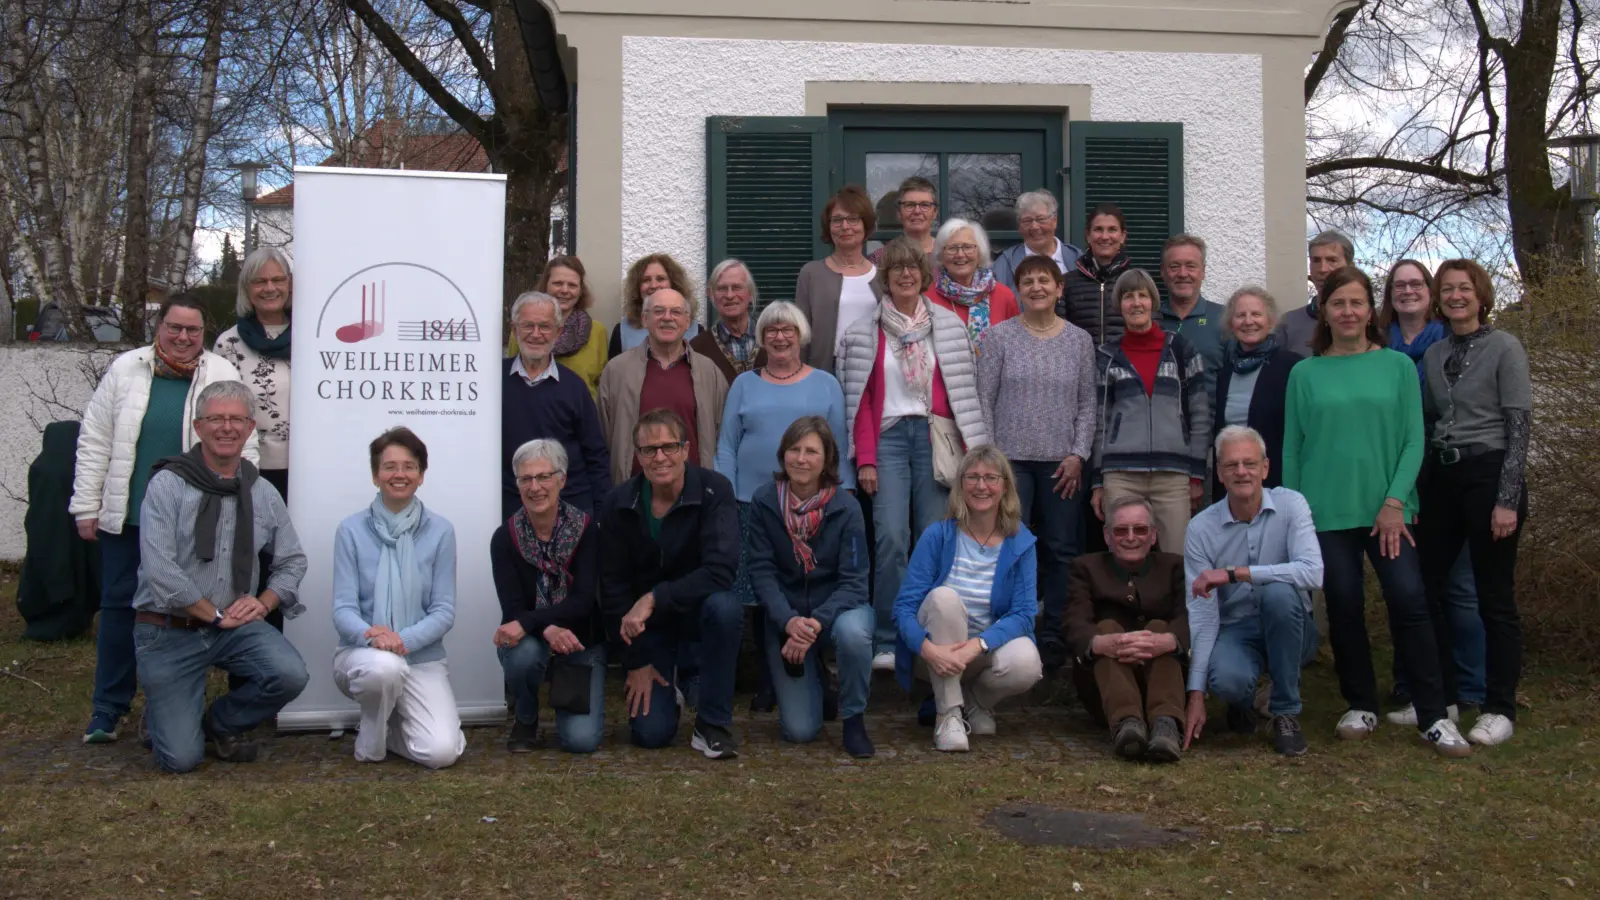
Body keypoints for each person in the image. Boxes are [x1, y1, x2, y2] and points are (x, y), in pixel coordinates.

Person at [1282, 265, 1468, 757]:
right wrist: (1294, 516)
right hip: (1325, 512)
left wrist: (1393, 504)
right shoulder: (1305, 373)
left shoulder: (1399, 367)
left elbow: (1414, 440)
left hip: (1389, 512)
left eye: (1356, 302)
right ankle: (1360, 703)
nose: (1347, 311)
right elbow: (1293, 451)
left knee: (1410, 601)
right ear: (1324, 310)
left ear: (1371, 310)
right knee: (1343, 607)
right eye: (1337, 302)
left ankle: (1433, 715)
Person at [71, 293, 257, 745]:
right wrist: (85, 505)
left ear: (203, 334)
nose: (183, 337)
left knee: (186, 609)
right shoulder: (126, 369)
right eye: (175, 327)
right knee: (120, 609)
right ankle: (108, 709)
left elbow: (244, 442)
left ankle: (173, 707)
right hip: (130, 515)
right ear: (159, 327)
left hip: (196, 520)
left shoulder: (221, 373)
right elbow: (95, 440)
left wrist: (243, 504)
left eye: (193, 330)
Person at [131, 381, 307, 773]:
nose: (226, 428)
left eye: (236, 420)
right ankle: (164, 719)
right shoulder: (167, 485)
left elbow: (292, 560)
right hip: (169, 629)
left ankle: (219, 724)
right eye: (216, 419)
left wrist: (264, 603)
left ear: (249, 428)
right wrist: (212, 614)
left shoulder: (262, 491)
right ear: (198, 427)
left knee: (290, 675)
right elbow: (161, 571)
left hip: (234, 626)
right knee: (181, 760)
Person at [838, 237, 990, 669]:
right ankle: (888, 638)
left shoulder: (948, 326)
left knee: (932, 538)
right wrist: (864, 458)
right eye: (896, 269)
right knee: (889, 538)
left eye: (913, 269)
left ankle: (933, 635)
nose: (905, 275)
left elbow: (967, 394)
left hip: (934, 439)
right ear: (885, 280)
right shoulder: (862, 331)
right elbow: (860, 400)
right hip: (885, 439)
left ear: (925, 277)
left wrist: (973, 452)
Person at [714, 300, 852, 710]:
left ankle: (815, 668)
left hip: (814, 506)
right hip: (754, 506)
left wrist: (836, 499)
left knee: (807, 585)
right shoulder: (744, 384)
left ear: (800, 335)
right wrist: (727, 499)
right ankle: (769, 677)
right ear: (762, 337)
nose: (779, 336)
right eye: (771, 330)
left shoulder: (826, 383)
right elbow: (727, 446)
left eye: (787, 330)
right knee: (759, 589)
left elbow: (839, 449)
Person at [1419, 259, 1531, 747]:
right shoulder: (1433, 353)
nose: (1456, 296)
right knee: (1428, 588)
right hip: (1443, 478)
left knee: (1493, 594)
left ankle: (1499, 707)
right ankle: (1442, 699)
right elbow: (1425, 423)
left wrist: (1507, 499)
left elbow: (1519, 425)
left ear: (1480, 295)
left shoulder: (1505, 346)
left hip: (1490, 473)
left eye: (1464, 288)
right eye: (1447, 289)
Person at [598, 409, 743, 757]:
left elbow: (721, 570)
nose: (660, 457)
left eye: (668, 447)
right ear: (637, 456)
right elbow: (613, 588)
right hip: (649, 632)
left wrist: (654, 597)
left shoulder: (715, 490)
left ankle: (713, 724)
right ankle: (673, 688)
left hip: (699, 615)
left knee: (726, 606)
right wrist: (635, 662)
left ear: (686, 449)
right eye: (649, 450)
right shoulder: (619, 503)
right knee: (651, 735)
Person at [1378, 259, 1486, 721]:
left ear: (1432, 291)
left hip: (1441, 473)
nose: (1408, 291)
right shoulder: (1377, 343)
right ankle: (1414, 684)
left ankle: (1471, 688)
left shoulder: (1448, 343)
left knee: (1457, 586)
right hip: (1394, 471)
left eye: (1417, 283)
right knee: (1409, 584)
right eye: (1399, 285)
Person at [977, 254, 1096, 670]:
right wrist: (993, 462)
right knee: (1012, 546)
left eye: (1045, 280)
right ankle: (1013, 627)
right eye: (1028, 282)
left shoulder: (1079, 341)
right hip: (1010, 464)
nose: (1037, 288)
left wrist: (1078, 454)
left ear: (1059, 289)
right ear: (1019, 290)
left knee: (1062, 549)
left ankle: (1055, 637)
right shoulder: (999, 338)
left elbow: (1087, 404)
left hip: (1062, 464)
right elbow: (983, 401)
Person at [1183, 426, 1324, 757]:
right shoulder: (1201, 528)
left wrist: (1237, 574)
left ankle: (1285, 712)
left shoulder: (1292, 505)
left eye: (1249, 463)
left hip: (1291, 626)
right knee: (1228, 681)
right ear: (1219, 472)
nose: (1241, 472)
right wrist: (1196, 692)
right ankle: (1241, 700)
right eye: (1231, 465)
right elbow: (1202, 615)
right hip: (1237, 629)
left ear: (1265, 467)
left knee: (1278, 594)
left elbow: (1313, 572)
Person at [330, 427, 465, 769]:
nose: (399, 474)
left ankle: (394, 732)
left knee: (442, 753)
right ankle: (371, 739)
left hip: (420, 656)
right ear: (376, 475)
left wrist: (401, 641)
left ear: (421, 475)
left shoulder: (440, 531)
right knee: (384, 669)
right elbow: (343, 609)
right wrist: (375, 639)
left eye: (409, 466)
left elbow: (443, 610)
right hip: (363, 655)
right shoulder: (351, 530)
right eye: (390, 467)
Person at [894, 446, 1043, 752]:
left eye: (990, 477)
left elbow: (1025, 614)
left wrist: (978, 645)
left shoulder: (1021, 542)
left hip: (981, 652)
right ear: (960, 485)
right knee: (944, 598)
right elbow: (904, 608)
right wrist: (929, 650)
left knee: (1028, 662)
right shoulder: (938, 536)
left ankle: (974, 704)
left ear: (1005, 487)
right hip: (935, 652)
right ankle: (947, 714)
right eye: (972, 477)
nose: (981, 486)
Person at [746, 417, 875, 758]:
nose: (801, 459)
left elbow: (855, 582)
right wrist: (789, 622)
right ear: (782, 454)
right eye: (794, 449)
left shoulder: (847, 508)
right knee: (800, 731)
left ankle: (853, 718)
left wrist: (816, 622)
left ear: (827, 459)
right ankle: (819, 678)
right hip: (786, 618)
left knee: (855, 633)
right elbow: (760, 572)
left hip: (837, 612)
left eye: (811, 452)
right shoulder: (764, 502)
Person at [492, 439, 606, 754]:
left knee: (581, 741)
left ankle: (565, 696)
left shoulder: (586, 530)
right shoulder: (504, 538)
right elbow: (512, 606)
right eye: (526, 478)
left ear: (561, 480)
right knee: (524, 656)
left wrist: (534, 622)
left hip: (580, 637)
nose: (535, 487)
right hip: (529, 639)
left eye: (544, 477)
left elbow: (583, 602)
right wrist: (546, 629)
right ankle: (526, 717)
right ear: (517, 484)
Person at [1089, 268, 1210, 555]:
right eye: (1128, 297)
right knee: (1124, 555)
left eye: (1142, 295)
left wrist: (1196, 475)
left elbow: (1201, 415)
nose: (1136, 303)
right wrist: (1097, 480)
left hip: (1173, 475)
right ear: (1120, 305)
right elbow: (1099, 421)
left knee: (1176, 558)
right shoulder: (1107, 355)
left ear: (1153, 303)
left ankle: (1176, 604)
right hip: (1121, 474)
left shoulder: (1181, 349)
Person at [1063, 496, 1188, 762]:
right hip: (1106, 690)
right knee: (1106, 628)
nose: (1131, 537)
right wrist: (1101, 643)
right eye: (1121, 530)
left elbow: (1191, 618)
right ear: (1107, 536)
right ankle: (1127, 724)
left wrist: (1168, 640)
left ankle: (1166, 725)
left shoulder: (1174, 567)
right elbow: (1075, 621)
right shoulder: (1085, 568)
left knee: (1160, 628)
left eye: (1140, 529)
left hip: (1166, 678)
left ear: (1153, 535)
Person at [597, 288, 729, 486]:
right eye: (658, 311)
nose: (667, 318)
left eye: (676, 312)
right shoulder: (616, 371)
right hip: (633, 493)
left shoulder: (709, 372)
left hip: (694, 492)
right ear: (644, 319)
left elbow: (722, 437)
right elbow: (603, 436)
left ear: (687, 321)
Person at [502, 291, 610, 520]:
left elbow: (596, 455)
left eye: (545, 326)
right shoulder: (493, 382)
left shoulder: (574, 387)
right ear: (514, 329)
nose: (536, 334)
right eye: (527, 325)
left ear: (558, 332)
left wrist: (601, 515)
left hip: (570, 509)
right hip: (510, 509)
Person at [213, 246, 294, 502]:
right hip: (250, 469)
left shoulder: (315, 335)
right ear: (247, 289)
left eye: (278, 279)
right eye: (260, 281)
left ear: (290, 285)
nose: (270, 288)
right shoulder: (228, 345)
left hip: (313, 467)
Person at [1211, 286, 1301, 501]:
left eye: (1256, 314)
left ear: (1270, 321)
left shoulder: (1293, 367)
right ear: (1231, 324)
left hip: (1276, 483)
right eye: (1240, 315)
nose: (1248, 321)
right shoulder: (1225, 373)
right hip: (1232, 483)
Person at [795, 185, 883, 375]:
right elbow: (800, 333)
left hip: (873, 369)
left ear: (865, 225)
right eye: (837, 220)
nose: (845, 227)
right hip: (824, 371)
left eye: (853, 219)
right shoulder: (811, 273)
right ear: (828, 226)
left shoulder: (882, 276)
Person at [504, 256, 608, 396]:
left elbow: (602, 384)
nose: (565, 290)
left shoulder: (596, 331)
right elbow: (512, 376)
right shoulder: (523, 330)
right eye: (558, 283)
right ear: (546, 285)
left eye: (572, 285)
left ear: (580, 290)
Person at [923, 218, 1019, 350]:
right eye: (952, 248)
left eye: (967, 247)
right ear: (941, 255)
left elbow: (1015, 347)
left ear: (980, 253)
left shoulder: (1004, 296)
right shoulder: (926, 298)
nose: (960, 254)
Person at [1157, 234, 1227, 398]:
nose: (1183, 274)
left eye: (1191, 266)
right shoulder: (1150, 319)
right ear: (1162, 272)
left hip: (1212, 421)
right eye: (1174, 266)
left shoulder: (1224, 319)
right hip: (1161, 421)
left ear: (1203, 271)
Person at [1061, 202, 1133, 347]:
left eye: (1112, 230)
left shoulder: (1137, 282)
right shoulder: (1067, 284)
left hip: (1123, 367)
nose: (1105, 236)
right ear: (1088, 235)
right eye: (1098, 229)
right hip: (1081, 367)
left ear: (1122, 236)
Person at [1275, 230, 1353, 358]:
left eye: (1332, 260)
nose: (1322, 269)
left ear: (1350, 267)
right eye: (1316, 260)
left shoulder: (1366, 322)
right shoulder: (1288, 324)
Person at [690, 258, 769, 383]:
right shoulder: (697, 348)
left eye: (737, 287)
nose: (730, 295)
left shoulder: (772, 340)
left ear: (750, 293)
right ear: (711, 295)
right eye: (722, 289)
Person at [607, 253, 701, 358]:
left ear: (674, 284)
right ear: (637, 288)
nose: (654, 285)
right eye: (646, 280)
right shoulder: (622, 331)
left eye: (660, 279)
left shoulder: (696, 331)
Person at [992, 190, 1083, 291]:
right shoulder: (1005, 264)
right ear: (1019, 226)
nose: (1034, 227)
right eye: (1027, 221)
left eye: (1041, 219)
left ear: (1055, 220)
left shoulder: (1077, 259)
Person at [868, 175, 939, 264]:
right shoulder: (880, 258)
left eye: (924, 205)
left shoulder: (949, 255)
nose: (917, 211)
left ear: (935, 212)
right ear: (899, 213)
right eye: (910, 205)